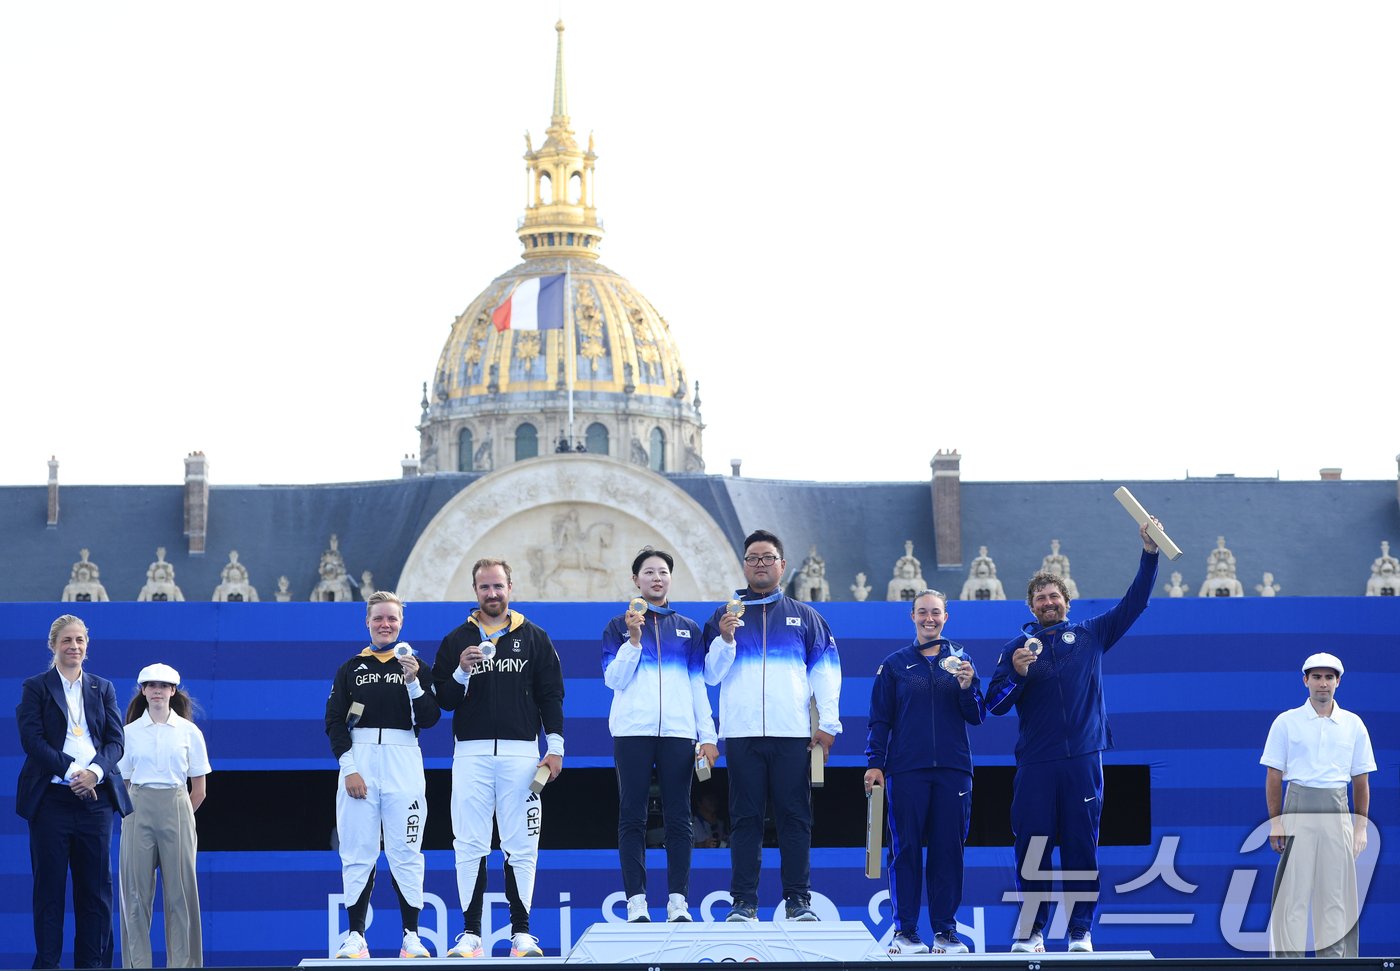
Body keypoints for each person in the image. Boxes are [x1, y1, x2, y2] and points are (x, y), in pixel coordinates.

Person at [986, 520, 1160, 953]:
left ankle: (1081, 930)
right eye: (1040, 598)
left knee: (1081, 846)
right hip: (1036, 763)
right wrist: (1019, 675)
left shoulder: (1091, 634)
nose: (1048, 602)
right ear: (1031, 607)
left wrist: (1150, 554)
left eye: (1054, 597)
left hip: (1083, 758)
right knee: (1033, 847)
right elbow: (994, 705)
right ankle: (1032, 932)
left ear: (1067, 601)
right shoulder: (1015, 650)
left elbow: (1135, 602)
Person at [703, 529, 842, 923]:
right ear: (744, 565)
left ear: (782, 565)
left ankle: (798, 901)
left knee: (795, 817)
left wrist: (828, 724)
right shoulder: (723, 616)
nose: (760, 564)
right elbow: (710, 676)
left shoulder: (807, 616)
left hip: (792, 734)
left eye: (768, 558)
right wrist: (726, 640)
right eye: (753, 558)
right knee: (745, 819)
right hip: (743, 733)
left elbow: (827, 672)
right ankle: (743, 902)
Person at [432, 559, 565, 958]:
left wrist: (554, 746)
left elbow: (551, 695)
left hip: (521, 754)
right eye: (484, 587)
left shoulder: (536, 637)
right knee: (469, 843)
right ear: (475, 591)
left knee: (522, 844)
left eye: (498, 586)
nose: (492, 594)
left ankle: (521, 934)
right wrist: (460, 672)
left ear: (511, 587)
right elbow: (443, 701)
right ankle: (470, 934)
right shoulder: (456, 639)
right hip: (470, 754)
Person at [601, 548, 719, 924]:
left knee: (680, 816)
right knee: (632, 816)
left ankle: (678, 902)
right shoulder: (617, 627)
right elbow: (614, 680)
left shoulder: (688, 627)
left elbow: (698, 684)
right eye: (648, 572)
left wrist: (707, 734)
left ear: (670, 578)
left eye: (663, 572)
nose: (656, 577)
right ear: (635, 579)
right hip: (632, 731)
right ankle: (636, 900)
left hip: (678, 732)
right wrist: (633, 642)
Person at [864, 590, 985, 955]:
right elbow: (880, 720)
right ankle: (905, 933)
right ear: (911, 616)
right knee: (906, 851)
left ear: (946, 617)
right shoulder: (896, 665)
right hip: (906, 770)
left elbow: (977, 715)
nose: (929, 618)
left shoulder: (962, 662)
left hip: (954, 770)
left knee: (949, 851)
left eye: (935, 613)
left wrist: (967, 687)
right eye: (922, 612)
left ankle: (946, 933)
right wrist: (875, 763)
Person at [325, 591, 441, 960]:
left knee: (406, 850)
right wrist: (350, 768)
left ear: (401, 623)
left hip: (403, 757)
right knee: (357, 850)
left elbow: (430, 718)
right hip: (359, 759)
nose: (385, 624)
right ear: (367, 622)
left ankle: (412, 936)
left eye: (392, 619)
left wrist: (413, 682)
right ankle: (356, 936)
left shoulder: (416, 665)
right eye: (378, 619)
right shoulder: (350, 668)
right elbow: (334, 722)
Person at [15, 614, 133, 968]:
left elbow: (116, 741)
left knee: (96, 894)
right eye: (67, 640)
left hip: (96, 805)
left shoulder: (103, 688)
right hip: (51, 801)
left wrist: (94, 774)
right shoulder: (35, 686)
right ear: (53, 645)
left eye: (80, 640)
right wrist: (71, 772)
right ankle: (48, 965)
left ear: (87, 645)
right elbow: (32, 740)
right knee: (49, 893)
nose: (74, 647)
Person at [1261, 652, 1374, 958]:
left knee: (1335, 898)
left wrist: (1360, 827)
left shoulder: (1353, 724)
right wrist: (1276, 822)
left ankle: (1336, 965)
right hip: (1297, 807)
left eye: (1328, 677)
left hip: (1338, 811)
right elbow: (1274, 776)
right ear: (1305, 681)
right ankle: (1287, 964)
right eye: (1316, 677)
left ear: (1338, 682)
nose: (1322, 684)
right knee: (1291, 898)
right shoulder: (1286, 722)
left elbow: (1360, 781)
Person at [117, 663, 211, 968]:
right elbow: (126, 781)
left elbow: (199, 788)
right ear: (143, 691)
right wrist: (139, 809)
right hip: (138, 806)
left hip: (177, 804)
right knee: (135, 895)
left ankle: (183, 965)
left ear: (173, 691)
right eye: (151, 685)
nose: (157, 691)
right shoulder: (128, 733)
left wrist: (178, 813)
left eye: (163, 686)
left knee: (181, 894)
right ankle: (137, 965)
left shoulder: (189, 731)